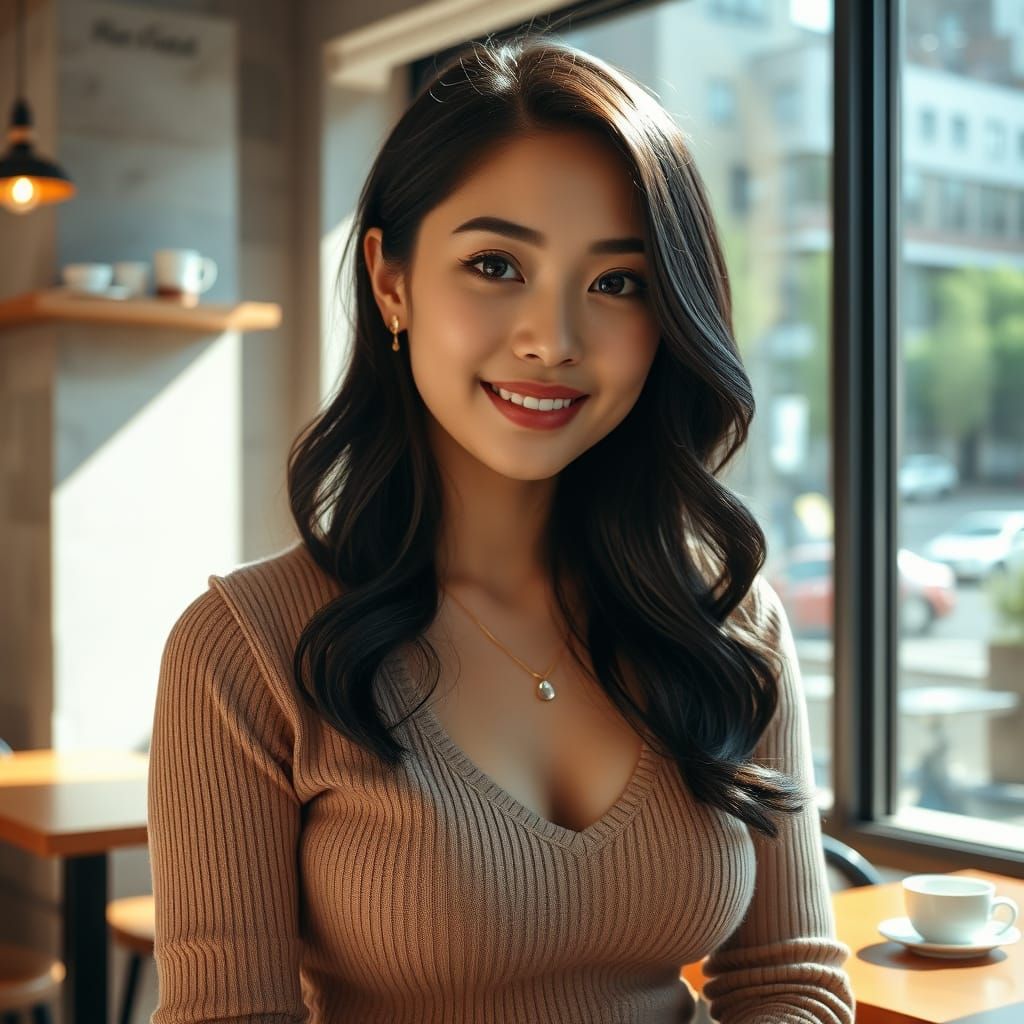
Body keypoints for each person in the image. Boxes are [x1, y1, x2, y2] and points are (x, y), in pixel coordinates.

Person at [147, 30, 856, 1024]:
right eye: (493, 264)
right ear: (391, 282)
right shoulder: (245, 650)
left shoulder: (728, 622)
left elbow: (791, 983)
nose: (551, 339)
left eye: (618, 282)